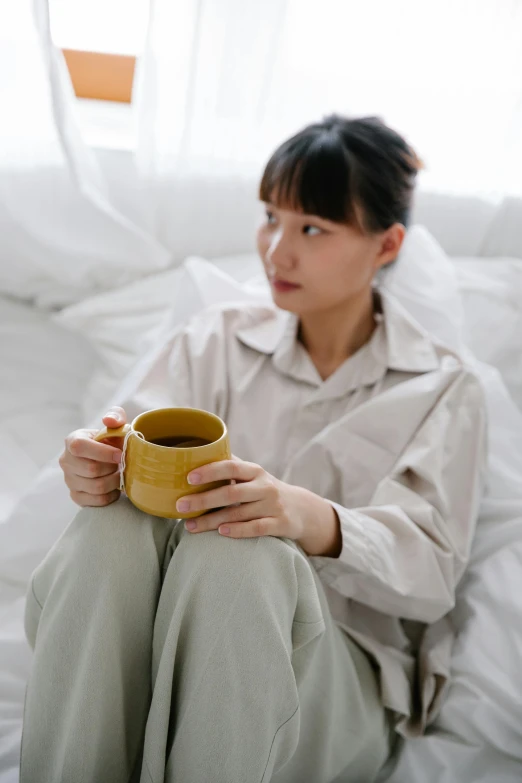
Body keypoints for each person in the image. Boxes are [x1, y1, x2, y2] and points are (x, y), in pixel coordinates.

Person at [20, 115, 487, 783]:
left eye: (313, 228)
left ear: (387, 244)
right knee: (113, 525)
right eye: (271, 217)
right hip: (162, 636)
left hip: (335, 673)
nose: (276, 251)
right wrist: (97, 465)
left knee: (239, 551)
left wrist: (302, 516)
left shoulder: (442, 386)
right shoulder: (214, 340)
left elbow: (433, 572)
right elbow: (133, 455)